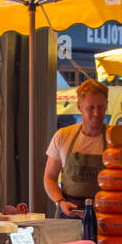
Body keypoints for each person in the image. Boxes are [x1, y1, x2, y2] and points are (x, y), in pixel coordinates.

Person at [44, 79, 107, 218]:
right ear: (79, 107)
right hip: (68, 218)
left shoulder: (114, 139)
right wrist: (60, 202)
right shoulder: (63, 136)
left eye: (101, 107)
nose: (97, 113)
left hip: (104, 218)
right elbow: (49, 178)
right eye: (91, 107)